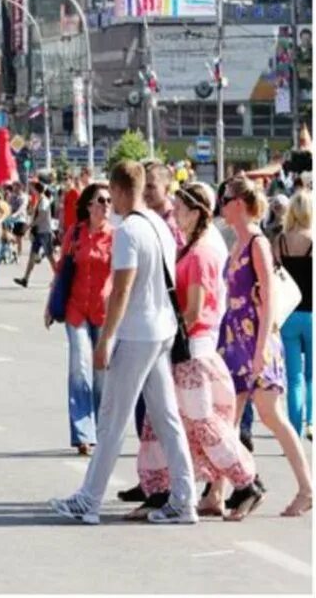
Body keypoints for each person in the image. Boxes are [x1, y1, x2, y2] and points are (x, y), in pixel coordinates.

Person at [49, 161, 196, 525]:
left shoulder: (129, 231)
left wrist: (106, 339)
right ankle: (184, 499)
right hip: (162, 331)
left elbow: (122, 289)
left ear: (116, 190)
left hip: (136, 334)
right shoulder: (160, 225)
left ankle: (89, 500)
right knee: (166, 419)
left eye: (109, 194)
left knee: (111, 420)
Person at [130, 182, 264, 521]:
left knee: (205, 426)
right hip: (186, 349)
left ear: (195, 213)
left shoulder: (202, 252)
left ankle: (246, 482)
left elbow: (195, 311)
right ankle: (161, 491)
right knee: (160, 422)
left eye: (179, 208)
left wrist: (164, 324)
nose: (174, 213)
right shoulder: (189, 247)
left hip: (194, 353)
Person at [218, 176, 312, 516]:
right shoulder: (238, 243)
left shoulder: (257, 243)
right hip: (235, 341)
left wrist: (259, 352)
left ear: (239, 204)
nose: (222, 206)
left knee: (272, 417)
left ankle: (306, 488)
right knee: (228, 420)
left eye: (226, 200)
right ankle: (223, 491)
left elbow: (269, 299)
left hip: (256, 342)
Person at [45, 182, 113, 455]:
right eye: (100, 200)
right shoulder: (75, 233)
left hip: (104, 312)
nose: (106, 205)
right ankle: (83, 433)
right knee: (80, 368)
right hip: (76, 311)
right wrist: (50, 305)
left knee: (101, 375)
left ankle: (101, 430)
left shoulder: (116, 237)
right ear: (88, 206)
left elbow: (121, 277)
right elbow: (61, 270)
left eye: (109, 201)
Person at [273, 190, 312, 439]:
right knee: (312, 376)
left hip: (288, 314)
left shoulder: (280, 241)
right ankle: (313, 423)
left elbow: (274, 275)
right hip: (312, 314)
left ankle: (295, 431)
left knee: (294, 377)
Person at [15, 181, 56, 287]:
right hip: (39, 232)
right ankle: (25, 279)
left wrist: (29, 225)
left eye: (33, 188)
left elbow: (41, 216)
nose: (31, 191)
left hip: (44, 232)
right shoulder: (40, 200)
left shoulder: (44, 201)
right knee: (32, 256)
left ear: (37, 190)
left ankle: (59, 278)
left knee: (50, 257)